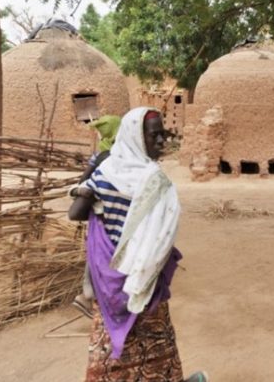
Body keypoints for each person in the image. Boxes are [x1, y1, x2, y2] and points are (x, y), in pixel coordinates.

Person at [68, 107, 208, 382]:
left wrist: (91, 181)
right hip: (143, 280)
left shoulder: (107, 173)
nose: (161, 142)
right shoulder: (154, 181)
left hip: (114, 281)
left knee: (111, 348)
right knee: (155, 342)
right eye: (154, 136)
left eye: (163, 135)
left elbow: (76, 213)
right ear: (135, 136)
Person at [71, 115, 122, 319]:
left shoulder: (100, 154)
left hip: (98, 216)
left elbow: (82, 182)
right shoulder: (119, 155)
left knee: (97, 257)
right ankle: (98, 303)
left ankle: (88, 297)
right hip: (114, 214)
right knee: (110, 261)